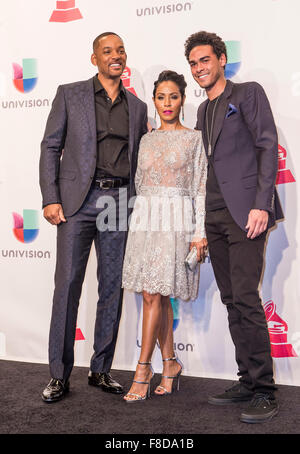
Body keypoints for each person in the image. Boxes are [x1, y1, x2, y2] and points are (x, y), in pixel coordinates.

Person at [39, 32, 148, 402]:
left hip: (119, 201)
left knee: (111, 288)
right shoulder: (70, 93)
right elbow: (51, 146)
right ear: (94, 59)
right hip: (76, 202)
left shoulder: (137, 106)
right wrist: (51, 197)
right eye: (107, 51)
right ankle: (58, 375)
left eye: (120, 50)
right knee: (67, 286)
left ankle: (100, 369)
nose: (115, 56)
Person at [185, 31, 284, 423]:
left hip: (246, 213)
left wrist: (262, 204)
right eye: (193, 63)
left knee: (245, 297)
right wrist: (202, 223)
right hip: (214, 217)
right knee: (230, 300)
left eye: (205, 60)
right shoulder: (202, 111)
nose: (199, 69)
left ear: (222, 59)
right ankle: (246, 380)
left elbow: (266, 145)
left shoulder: (247, 94)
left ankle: (264, 389)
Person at [122, 70, 207, 403]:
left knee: (154, 295)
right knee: (153, 294)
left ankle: (143, 368)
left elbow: (201, 188)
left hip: (176, 222)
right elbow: (141, 185)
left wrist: (199, 233)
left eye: (173, 96)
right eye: (161, 97)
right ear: (153, 101)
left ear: (183, 99)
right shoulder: (146, 138)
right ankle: (170, 363)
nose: (167, 103)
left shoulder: (194, 139)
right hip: (145, 220)